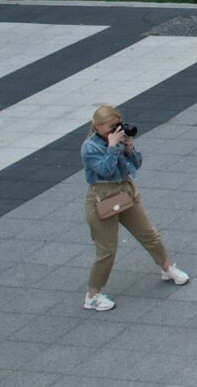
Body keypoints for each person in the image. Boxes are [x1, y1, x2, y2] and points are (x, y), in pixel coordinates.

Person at [80, 104, 188, 311]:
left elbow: (136, 165)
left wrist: (128, 148)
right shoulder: (90, 147)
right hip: (103, 199)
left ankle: (167, 268)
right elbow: (105, 170)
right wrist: (112, 147)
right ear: (98, 125)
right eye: (111, 127)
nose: (115, 130)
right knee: (107, 250)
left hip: (125, 194)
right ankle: (92, 296)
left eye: (117, 125)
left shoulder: (119, 139)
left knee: (149, 234)